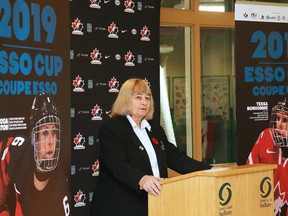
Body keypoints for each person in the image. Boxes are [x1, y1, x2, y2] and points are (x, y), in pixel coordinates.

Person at [91, 78, 212, 216]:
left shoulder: (154, 128)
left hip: (153, 204)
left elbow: (175, 157)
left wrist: (209, 170)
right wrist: (141, 179)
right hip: (119, 206)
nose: (144, 102)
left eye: (147, 98)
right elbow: (118, 165)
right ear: (125, 99)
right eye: (138, 97)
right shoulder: (112, 128)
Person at [0, 93, 70, 216]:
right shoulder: (17, 150)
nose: (50, 141)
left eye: (54, 132)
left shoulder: (60, 187)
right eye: (44, 132)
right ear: (33, 136)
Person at [246, 99, 288, 216]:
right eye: (278, 118)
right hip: (265, 205)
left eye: (285, 120)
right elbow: (249, 169)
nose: (279, 124)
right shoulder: (266, 136)